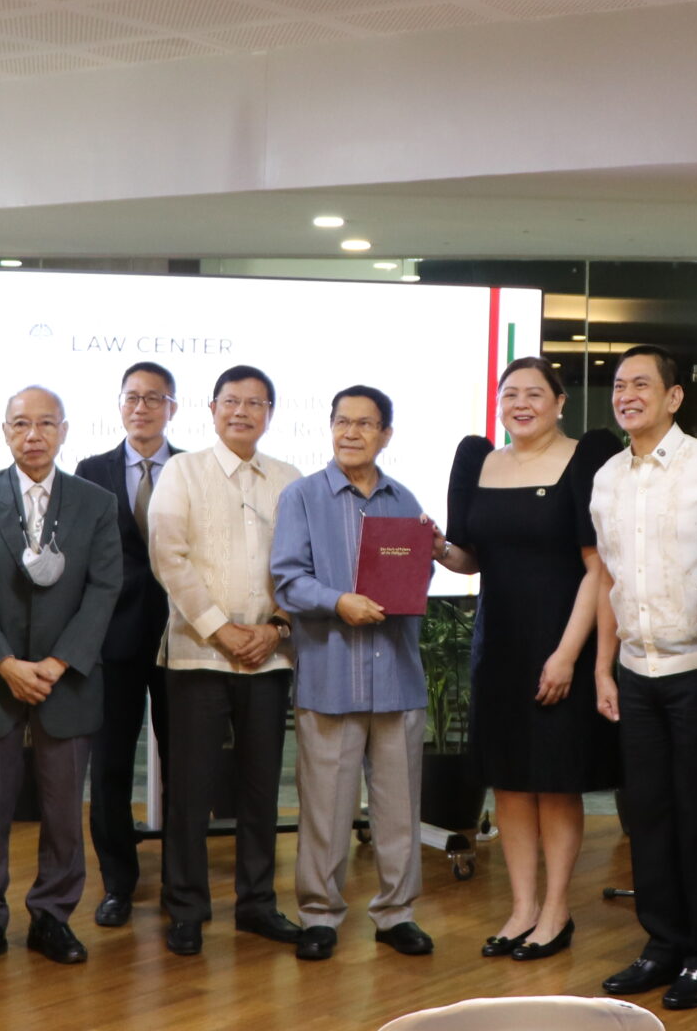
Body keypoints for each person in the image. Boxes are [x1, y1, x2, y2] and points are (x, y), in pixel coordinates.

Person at [439, 358, 620, 961]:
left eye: (534, 393)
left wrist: (568, 656)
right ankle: (521, 909)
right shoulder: (480, 461)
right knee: (511, 782)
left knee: (555, 782)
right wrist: (435, 548)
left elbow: (598, 568)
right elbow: (472, 559)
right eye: (510, 393)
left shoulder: (583, 459)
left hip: (562, 638)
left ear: (559, 402)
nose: (521, 403)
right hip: (499, 645)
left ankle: (556, 911)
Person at [0, 385, 124, 971]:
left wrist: (59, 661)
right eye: (21, 424)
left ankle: (53, 915)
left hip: (66, 679)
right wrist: (4, 663)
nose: (34, 435)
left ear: (64, 431)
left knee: (64, 807)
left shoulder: (96, 502)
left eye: (46, 423)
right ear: (5, 432)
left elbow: (104, 588)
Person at [588, 345, 697, 1010]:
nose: (626, 395)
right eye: (620, 385)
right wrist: (603, 666)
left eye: (641, 384)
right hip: (635, 670)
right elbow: (609, 580)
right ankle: (661, 944)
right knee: (645, 815)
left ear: (674, 397)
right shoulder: (606, 478)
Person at [270, 385, 436, 960]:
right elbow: (287, 580)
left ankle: (397, 915)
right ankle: (319, 916)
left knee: (399, 809)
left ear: (386, 434)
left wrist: (427, 555)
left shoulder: (404, 499)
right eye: (342, 421)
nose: (351, 432)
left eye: (365, 423)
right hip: (330, 676)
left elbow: (414, 583)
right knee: (325, 809)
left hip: (396, 678)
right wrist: (339, 601)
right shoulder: (301, 496)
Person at [146, 364, 303, 957]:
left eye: (255, 403)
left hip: (269, 655)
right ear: (211, 409)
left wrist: (274, 627)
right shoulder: (182, 471)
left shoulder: (290, 480)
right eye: (231, 401)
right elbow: (169, 557)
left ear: (270, 414)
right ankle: (186, 908)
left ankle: (257, 903)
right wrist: (221, 629)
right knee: (191, 789)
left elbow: (302, 563)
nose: (242, 412)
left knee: (261, 788)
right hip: (197, 656)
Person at [73, 360, 176, 930]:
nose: (142, 407)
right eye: (132, 397)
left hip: (184, 633)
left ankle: (181, 880)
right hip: (111, 640)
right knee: (110, 764)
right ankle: (117, 883)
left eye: (153, 398)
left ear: (171, 408)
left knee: (183, 762)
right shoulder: (91, 470)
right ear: (119, 406)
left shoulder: (191, 468)